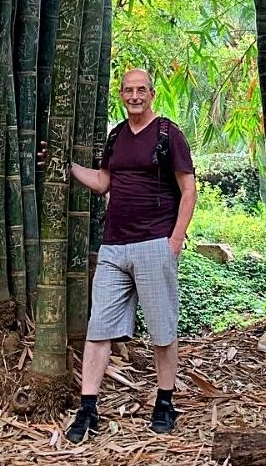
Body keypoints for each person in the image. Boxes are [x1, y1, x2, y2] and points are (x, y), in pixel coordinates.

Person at [65, 68, 196, 443]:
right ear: (121, 94)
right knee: (99, 328)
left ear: (151, 93)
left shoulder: (169, 134)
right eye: (128, 90)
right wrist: (69, 167)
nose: (134, 96)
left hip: (155, 243)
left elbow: (188, 190)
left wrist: (174, 242)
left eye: (141, 90)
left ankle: (165, 402)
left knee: (161, 330)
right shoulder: (117, 135)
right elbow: (105, 182)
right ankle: (88, 409)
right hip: (113, 245)